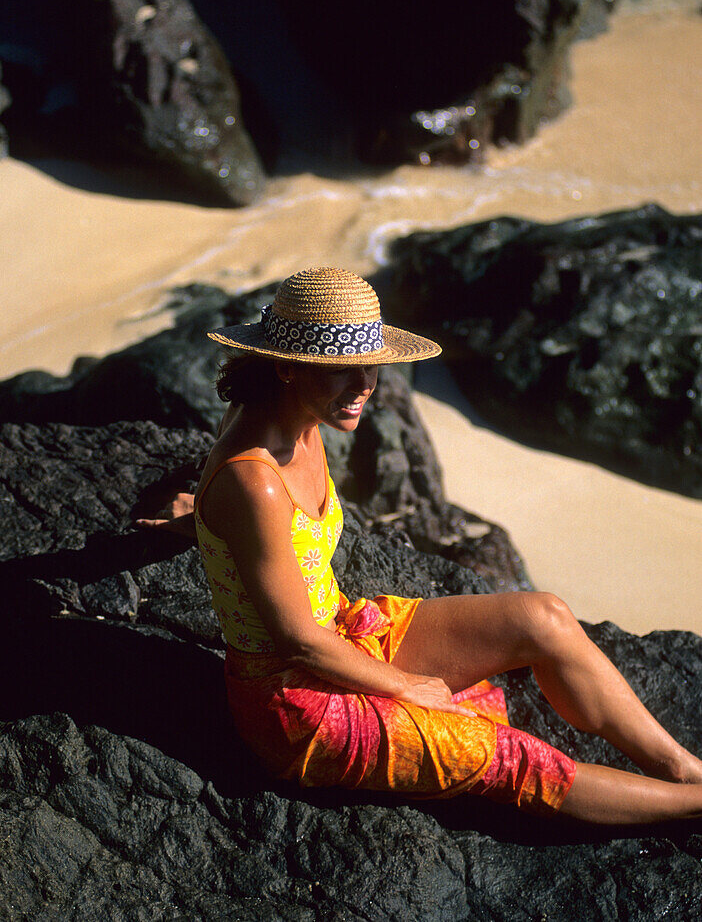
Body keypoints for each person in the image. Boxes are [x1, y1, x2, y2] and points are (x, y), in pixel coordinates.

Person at [140, 266, 702, 824]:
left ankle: (681, 768)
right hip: (296, 702)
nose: (364, 386)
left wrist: (196, 518)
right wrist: (408, 688)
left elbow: (242, 527)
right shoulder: (253, 477)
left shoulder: (295, 419)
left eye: (371, 367)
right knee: (514, 759)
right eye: (343, 370)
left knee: (544, 616)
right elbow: (296, 643)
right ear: (288, 368)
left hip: (345, 635)